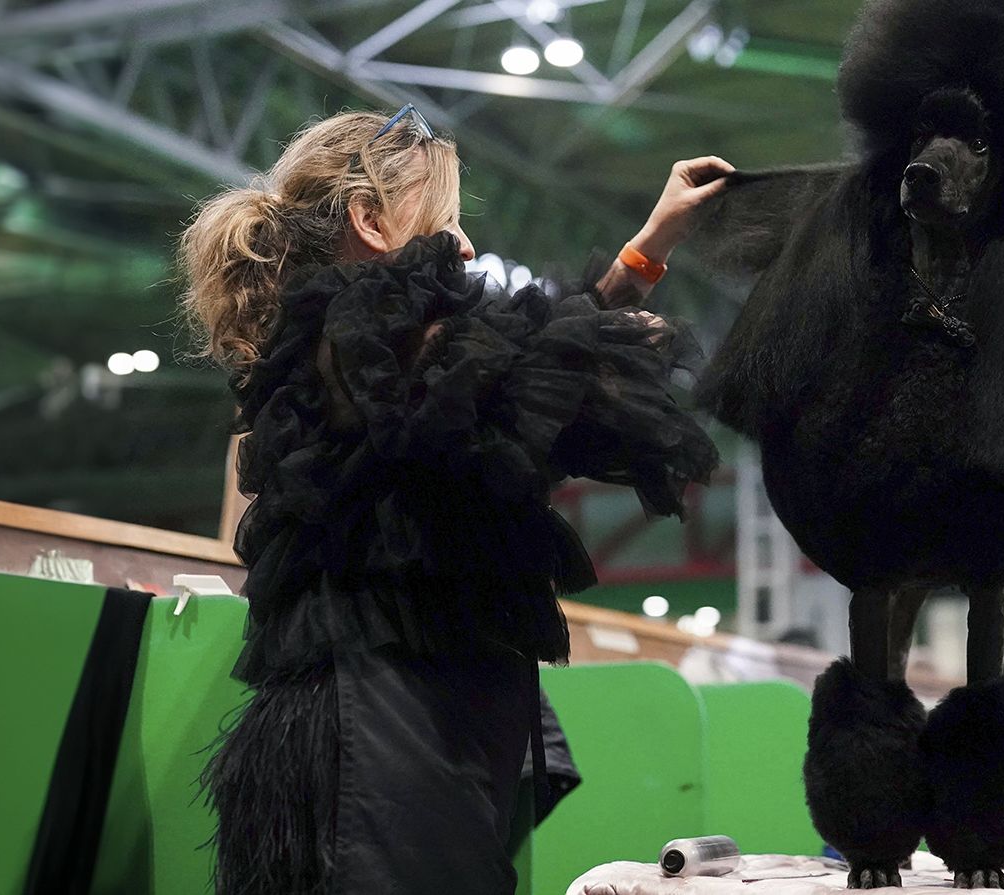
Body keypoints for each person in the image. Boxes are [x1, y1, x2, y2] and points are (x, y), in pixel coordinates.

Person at [179, 105, 727, 894]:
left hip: (415, 727)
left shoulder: (382, 351)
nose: (465, 245)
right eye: (444, 222)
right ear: (369, 219)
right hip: (380, 739)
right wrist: (631, 281)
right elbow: (531, 374)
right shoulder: (358, 334)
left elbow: (520, 386)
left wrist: (646, 251)